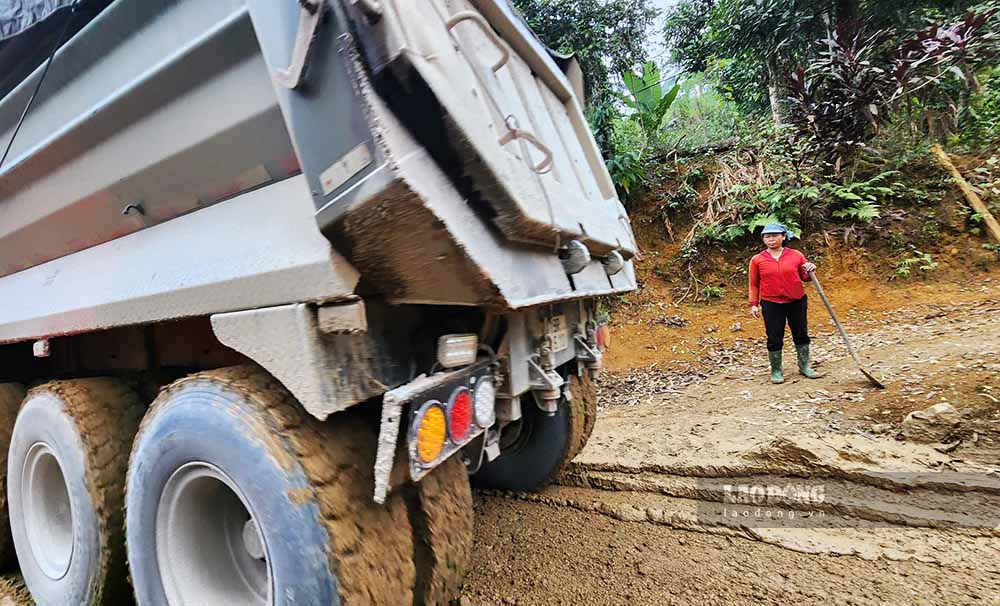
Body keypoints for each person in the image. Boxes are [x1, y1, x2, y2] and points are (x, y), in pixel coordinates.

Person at [748, 223, 820, 384]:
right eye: (767, 236)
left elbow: (806, 277)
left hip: (796, 301)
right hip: (771, 303)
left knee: (800, 333)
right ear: (763, 239)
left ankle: (804, 366)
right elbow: (754, 284)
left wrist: (811, 269)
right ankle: (776, 370)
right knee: (774, 336)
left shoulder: (796, 255)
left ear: (783, 237)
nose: (771, 239)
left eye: (774, 236)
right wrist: (753, 303)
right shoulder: (757, 259)